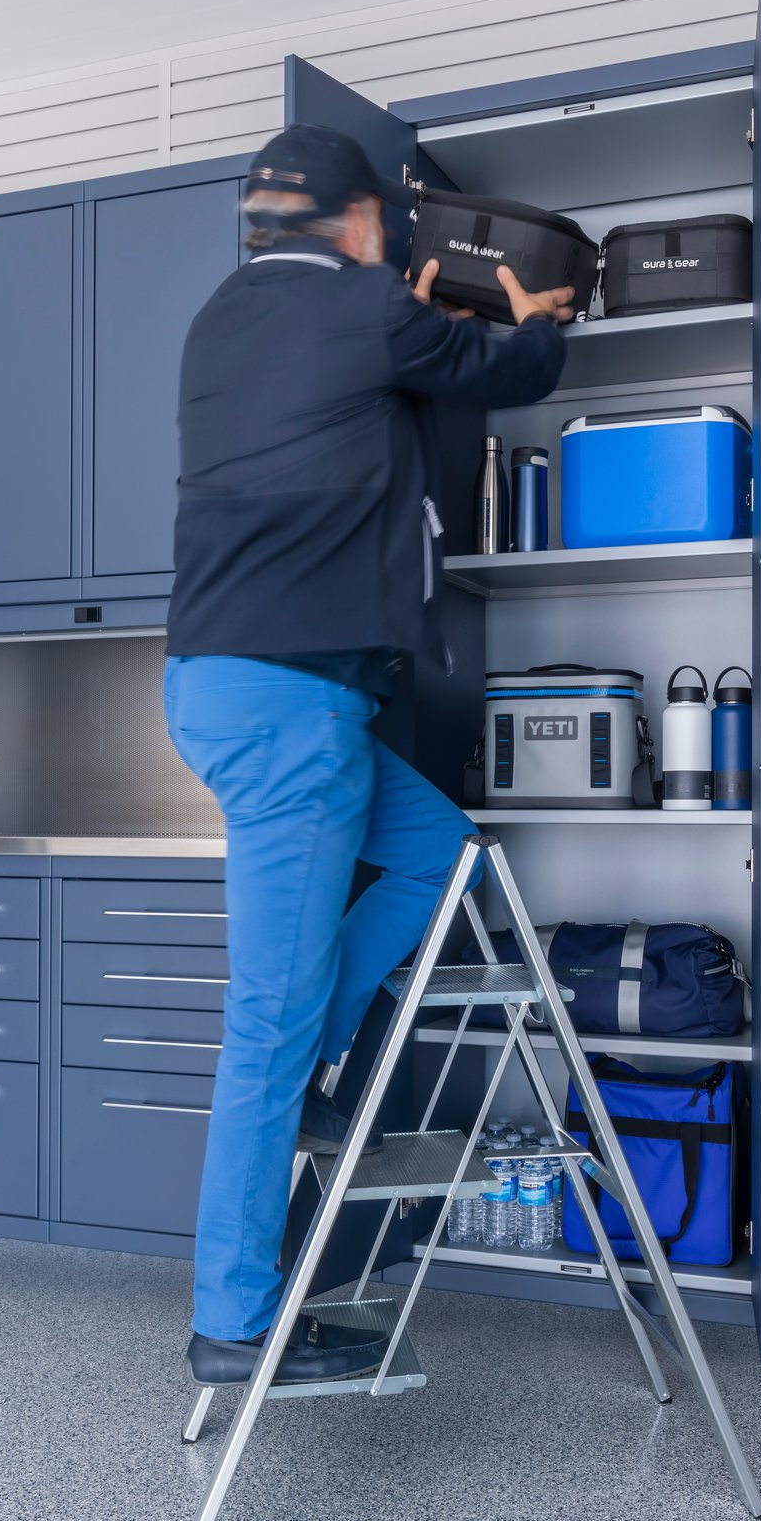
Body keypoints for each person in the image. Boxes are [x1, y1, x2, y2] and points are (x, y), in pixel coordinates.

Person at [164, 122, 571, 1387]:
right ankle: (235, 1322)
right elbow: (509, 369)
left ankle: (319, 1064)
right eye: (385, 222)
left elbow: (359, 379)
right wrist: (542, 312)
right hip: (291, 711)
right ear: (357, 222)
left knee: (440, 850)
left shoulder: (220, 319)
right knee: (262, 1022)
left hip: (236, 689)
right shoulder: (363, 309)